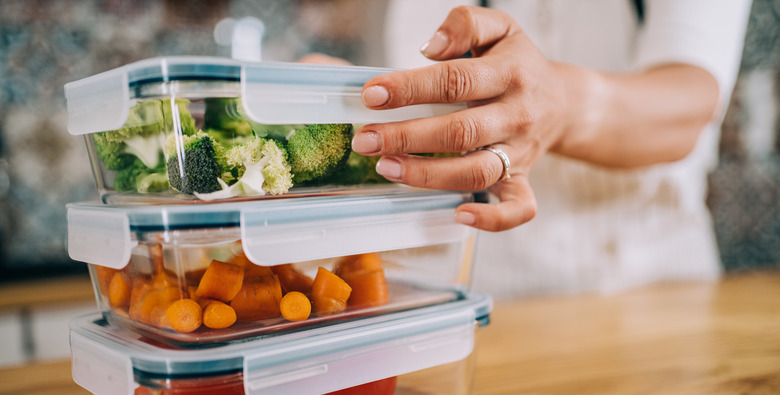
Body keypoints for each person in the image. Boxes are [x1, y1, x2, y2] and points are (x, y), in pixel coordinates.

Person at [307, 1, 752, 296]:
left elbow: (690, 103)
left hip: (660, 290)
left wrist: (558, 103)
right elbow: (437, 97)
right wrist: (356, 100)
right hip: (488, 292)